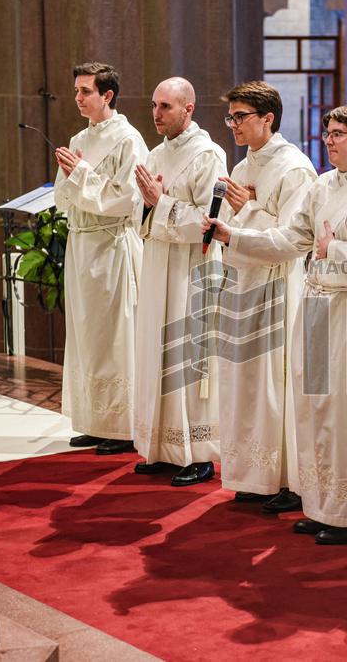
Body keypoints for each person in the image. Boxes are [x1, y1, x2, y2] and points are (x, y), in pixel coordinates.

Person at [205, 105, 347, 545]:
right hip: (317, 307)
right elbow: (291, 240)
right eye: (328, 133)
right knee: (316, 410)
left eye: (338, 134)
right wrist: (232, 236)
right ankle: (323, 504)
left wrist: (336, 250)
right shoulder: (323, 185)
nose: (329, 140)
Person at [216, 81, 317, 509]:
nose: (233, 125)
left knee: (275, 382)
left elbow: (298, 239)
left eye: (240, 116)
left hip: (279, 284)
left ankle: (286, 480)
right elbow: (223, 226)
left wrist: (249, 212)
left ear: (267, 118)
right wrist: (236, 218)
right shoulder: (241, 168)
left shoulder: (294, 167)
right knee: (246, 382)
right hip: (242, 281)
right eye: (231, 117)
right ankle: (254, 474)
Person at [131, 77, 227, 486]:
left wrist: (161, 203)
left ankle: (198, 453)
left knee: (189, 356)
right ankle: (162, 447)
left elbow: (210, 224)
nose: (156, 114)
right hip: (158, 264)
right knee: (157, 352)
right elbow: (139, 214)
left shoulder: (209, 155)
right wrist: (150, 206)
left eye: (166, 106)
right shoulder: (154, 155)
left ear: (189, 108)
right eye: (154, 105)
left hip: (194, 268)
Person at [54, 62, 147, 454]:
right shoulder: (79, 137)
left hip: (112, 246)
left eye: (85, 91)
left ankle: (123, 426)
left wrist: (83, 176)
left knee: (115, 336)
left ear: (107, 95)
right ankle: (95, 420)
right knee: (86, 334)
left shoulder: (128, 140)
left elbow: (128, 198)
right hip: (81, 244)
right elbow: (63, 196)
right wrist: (77, 180)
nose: (78, 98)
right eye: (76, 90)